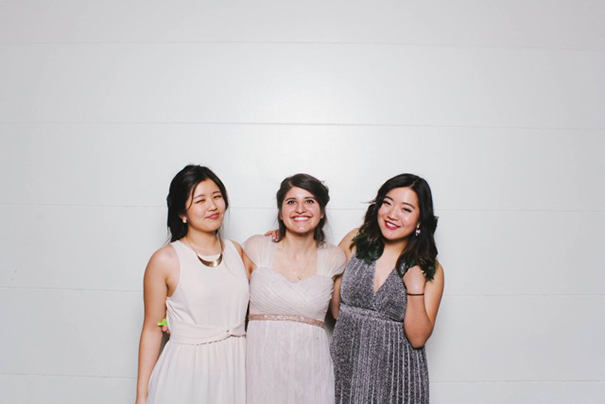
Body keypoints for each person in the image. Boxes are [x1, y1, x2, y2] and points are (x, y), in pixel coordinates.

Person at [135, 165, 250, 404]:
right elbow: (152, 329)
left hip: (236, 368)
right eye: (200, 200)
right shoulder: (165, 260)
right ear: (181, 213)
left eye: (217, 197)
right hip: (187, 372)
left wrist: (282, 234)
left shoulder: (237, 251)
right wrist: (141, 397)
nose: (212, 206)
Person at [331, 173, 444, 404]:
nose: (392, 215)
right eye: (387, 203)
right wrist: (284, 236)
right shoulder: (354, 241)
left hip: (397, 376)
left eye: (406, 209)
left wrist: (414, 289)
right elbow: (333, 309)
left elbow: (418, 338)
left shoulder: (430, 269)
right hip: (346, 363)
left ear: (420, 219)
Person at [244, 174, 346, 404]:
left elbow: (341, 314)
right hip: (260, 370)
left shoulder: (335, 258)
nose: (300, 209)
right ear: (281, 212)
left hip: (313, 373)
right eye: (291, 202)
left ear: (322, 213)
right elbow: (229, 303)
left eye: (310, 201)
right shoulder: (255, 248)